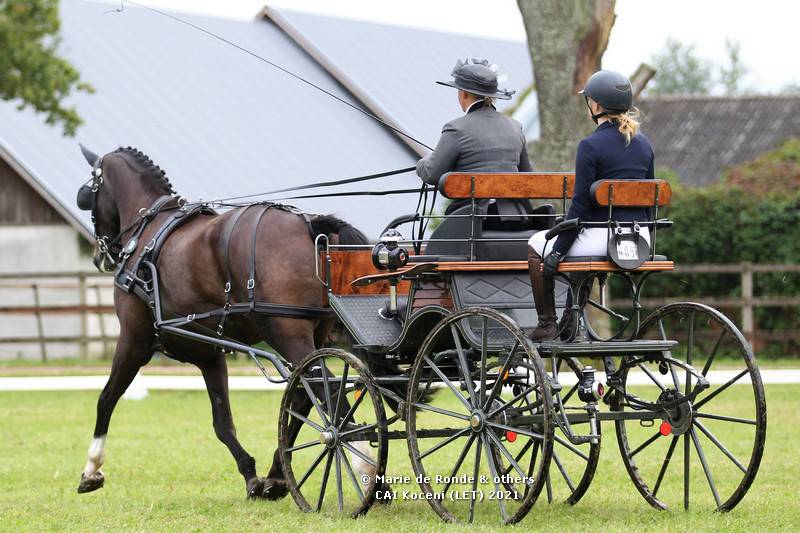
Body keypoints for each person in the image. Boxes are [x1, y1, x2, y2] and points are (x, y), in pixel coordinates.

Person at [527, 70, 655, 341]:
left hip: (603, 239)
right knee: (576, 248)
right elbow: (649, 202)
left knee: (537, 245)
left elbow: (580, 208)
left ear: (595, 105)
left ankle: (547, 323)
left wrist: (557, 252)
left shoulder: (590, 145)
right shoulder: (644, 144)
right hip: (639, 238)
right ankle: (570, 319)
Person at [417, 58, 532, 219]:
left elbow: (431, 174)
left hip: (472, 219)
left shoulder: (456, 128)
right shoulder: (515, 127)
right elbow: (528, 175)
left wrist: (423, 162)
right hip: (516, 217)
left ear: (463, 93)